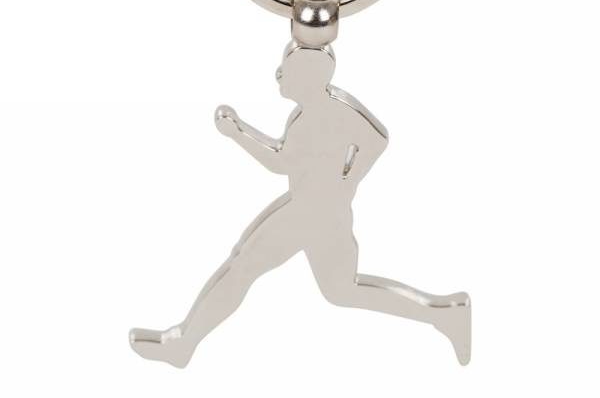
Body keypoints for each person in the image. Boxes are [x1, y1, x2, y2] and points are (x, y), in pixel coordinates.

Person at [130, 41, 471, 367]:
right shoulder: (328, 111)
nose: (278, 73)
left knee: (243, 266)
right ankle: (442, 312)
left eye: (287, 69)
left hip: (311, 215)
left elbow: (280, 162)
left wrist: (237, 132)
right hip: (324, 213)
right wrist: (349, 178)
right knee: (341, 290)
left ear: (307, 79)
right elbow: (376, 140)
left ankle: (183, 344)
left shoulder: (311, 121)